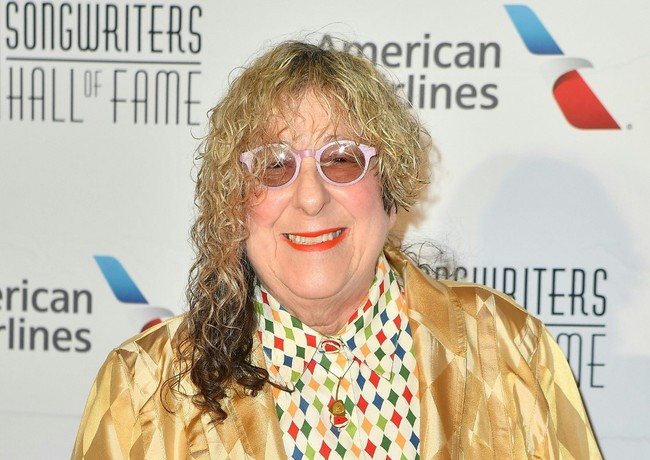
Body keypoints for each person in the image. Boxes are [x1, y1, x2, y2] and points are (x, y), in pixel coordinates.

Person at [72, 41, 601, 459]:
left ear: (389, 186)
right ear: (233, 202)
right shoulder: (143, 388)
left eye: (342, 160)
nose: (310, 197)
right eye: (274, 165)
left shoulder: (507, 348)